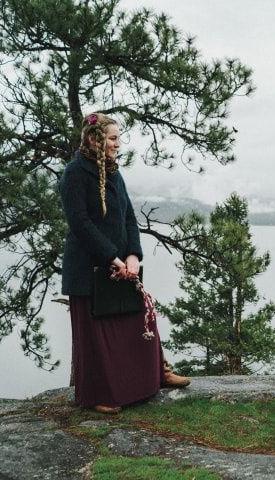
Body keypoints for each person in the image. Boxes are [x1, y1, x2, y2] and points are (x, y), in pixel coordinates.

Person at [59, 112, 189, 414]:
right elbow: (79, 223)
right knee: (97, 338)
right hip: (88, 271)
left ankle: (156, 373)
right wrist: (111, 257)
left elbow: (129, 217)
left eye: (119, 138)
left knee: (140, 321)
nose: (119, 144)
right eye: (113, 138)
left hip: (122, 264)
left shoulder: (114, 172)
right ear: (94, 139)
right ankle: (100, 395)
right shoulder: (74, 173)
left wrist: (132, 255)